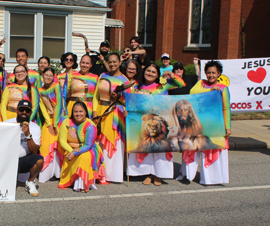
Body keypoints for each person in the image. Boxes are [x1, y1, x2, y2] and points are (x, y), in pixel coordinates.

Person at [121, 63, 185, 186]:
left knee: (160, 150)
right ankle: (148, 174)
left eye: (153, 72)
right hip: (143, 123)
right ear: (144, 72)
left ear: (157, 75)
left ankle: (158, 175)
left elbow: (181, 84)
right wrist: (127, 110)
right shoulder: (136, 86)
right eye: (148, 71)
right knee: (147, 148)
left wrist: (171, 74)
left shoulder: (163, 87)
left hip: (160, 123)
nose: (150, 73)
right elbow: (131, 101)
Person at [177, 60, 231, 184]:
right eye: (208, 72)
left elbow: (226, 108)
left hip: (215, 124)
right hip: (196, 124)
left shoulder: (223, 89)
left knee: (212, 149)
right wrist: (210, 91)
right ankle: (186, 174)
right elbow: (192, 93)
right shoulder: (201, 84)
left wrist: (228, 127)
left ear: (219, 74)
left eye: (214, 73)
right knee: (191, 147)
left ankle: (211, 178)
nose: (211, 75)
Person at [92, 53, 128, 183]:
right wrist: (95, 112)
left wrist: (118, 99)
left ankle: (113, 174)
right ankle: (99, 173)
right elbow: (96, 96)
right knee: (98, 142)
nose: (112, 64)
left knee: (113, 143)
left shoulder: (125, 81)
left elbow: (128, 101)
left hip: (115, 113)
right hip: (101, 111)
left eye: (115, 62)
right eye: (110, 62)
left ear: (119, 62)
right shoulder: (102, 76)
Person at [58, 101, 103, 192]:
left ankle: (83, 184)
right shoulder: (66, 122)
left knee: (84, 157)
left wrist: (74, 153)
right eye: (75, 112)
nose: (78, 114)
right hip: (70, 149)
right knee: (78, 156)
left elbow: (88, 145)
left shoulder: (90, 125)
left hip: (88, 149)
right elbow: (62, 141)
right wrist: (71, 151)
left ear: (86, 112)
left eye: (81, 111)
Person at [4, 100, 43, 196]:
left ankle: (30, 182)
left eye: (27, 110)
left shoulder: (35, 128)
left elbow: (34, 151)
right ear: (17, 111)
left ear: (30, 113)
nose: (24, 112)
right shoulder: (7, 124)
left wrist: (28, 135)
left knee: (39, 160)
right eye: (21, 109)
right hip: (8, 160)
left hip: (23, 161)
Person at [38, 67, 65, 182]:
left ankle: (58, 173)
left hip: (59, 119)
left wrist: (55, 124)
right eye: (46, 75)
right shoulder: (40, 90)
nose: (48, 77)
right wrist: (49, 124)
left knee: (59, 145)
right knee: (45, 145)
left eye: (50, 75)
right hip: (48, 121)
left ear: (53, 76)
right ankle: (46, 173)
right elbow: (43, 108)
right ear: (42, 76)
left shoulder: (56, 86)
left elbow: (59, 103)